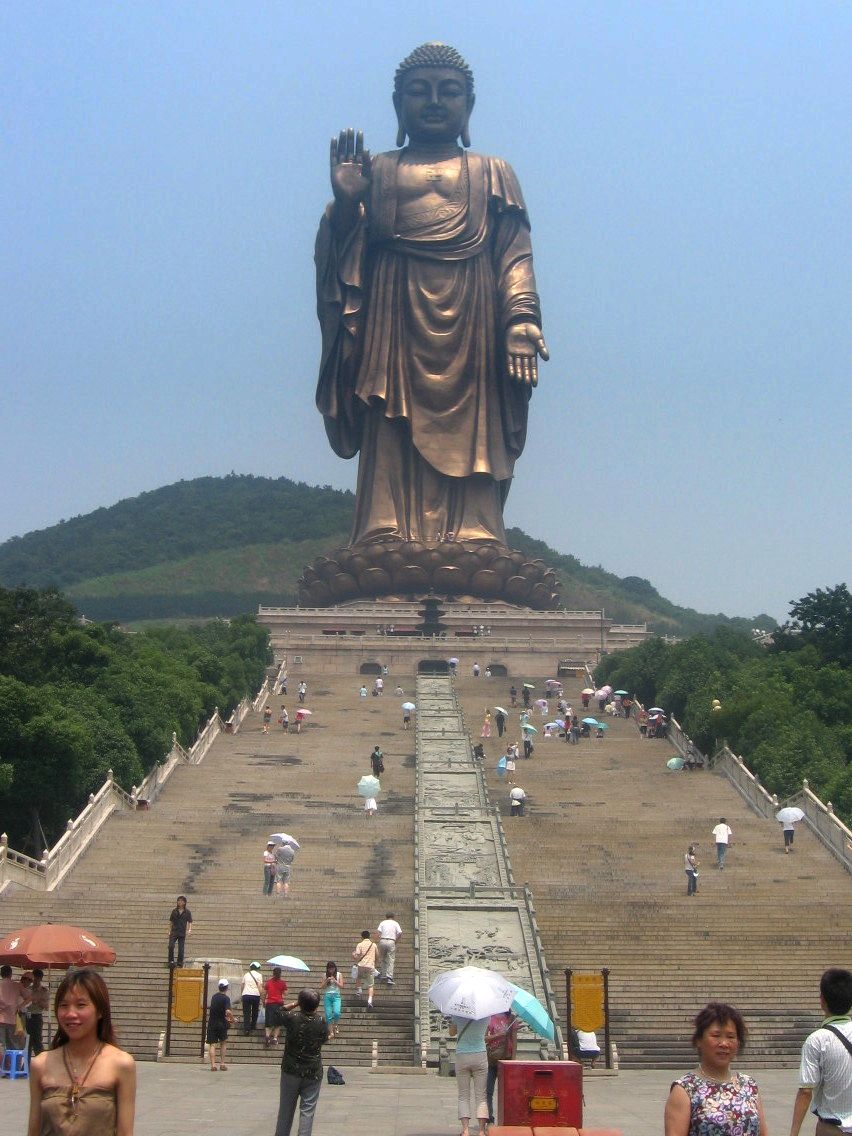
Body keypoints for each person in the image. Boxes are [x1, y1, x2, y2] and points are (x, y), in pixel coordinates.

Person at [27, 968, 136, 1136]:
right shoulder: (40, 1064)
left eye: (81, 1005)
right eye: (63, 1005)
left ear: (100, 1011)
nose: (71, 1014)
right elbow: (33, 1131)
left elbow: (125, 1133)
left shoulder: (121, 1064)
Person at [664, 1001, 768, 1136]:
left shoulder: (748, 1085)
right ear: (699, 1040)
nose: (724, 1043)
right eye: (716, 1035)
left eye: (731, 1037)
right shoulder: (685, 1089)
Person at [789, 967, 852, 1136]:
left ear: (822, 1000)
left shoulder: (817, 1040)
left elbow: (805, 1091)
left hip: (831, 1129)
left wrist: (794, 1132)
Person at [273, 989, 330, 1136]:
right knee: (307, 1111)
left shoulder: (293, 1018)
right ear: (317, 1006)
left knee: (285, 1109)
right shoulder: (321, 1021)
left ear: (301, 1004)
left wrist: (294, 1003)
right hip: (313, 1072)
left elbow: (278, 1011)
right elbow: (324, 1038)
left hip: (291, 1070)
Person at [448, 1014, 490, 1136]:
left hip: (462, 1054)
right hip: (480, 1054)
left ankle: (465, 1130)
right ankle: (481, 1131)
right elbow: (485, 1033)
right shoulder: (486, 1015)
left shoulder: (458, 1014)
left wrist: (452, 1020)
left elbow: (451, 1033)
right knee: (481, 1096)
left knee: (463, 1095)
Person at [485, 1011, 522, 1123]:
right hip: (492, 1059)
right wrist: (499, 1035)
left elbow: (514, 1041)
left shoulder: (512, 1018)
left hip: (507, 1059)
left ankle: (508, 1117)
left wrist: (513, 1060)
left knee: (508, 1091)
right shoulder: (490, 1017)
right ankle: (489, 1118)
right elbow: (485, 1038)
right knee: (488, 1090)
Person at [0, 963, 27, 1063]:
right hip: (12, 1019)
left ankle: (2, 1067)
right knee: (13, 1044)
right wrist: (20, 1006)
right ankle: (15, 1067)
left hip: (1, 1019)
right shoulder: (17, 985)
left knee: (1, 1044)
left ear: (1, 974)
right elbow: (30, 997)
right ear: (10, 974)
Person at [207, 979, 234, 1071]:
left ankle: (213, 1065)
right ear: (226, 988)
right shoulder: (226, 998)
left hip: (212, 1023)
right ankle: (222, 1064)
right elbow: (227, 1011)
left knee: (212, 1044)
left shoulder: (214, 997)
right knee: (223, 1043)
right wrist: (232, 1019)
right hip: (221, 1023)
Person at [25, 969, 49, 1057]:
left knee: (37, 1041)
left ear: (40, 979)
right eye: (33, 979)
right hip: (27, 1016)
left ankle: (41, 1061)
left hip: (37, 1017)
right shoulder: (27, 989)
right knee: (27, 1041)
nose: (34, 981)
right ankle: (26, 1064)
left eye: (37, 979)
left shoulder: (43, 990)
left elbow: (46, 1006)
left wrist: (37, 1001)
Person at [263, 966, 288, 1048]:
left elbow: (264, 993)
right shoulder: (282, 983)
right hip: (279, 1004)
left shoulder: (268, 982)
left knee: (268, 1022)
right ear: (280, 974)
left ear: (273, 973)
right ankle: (275, 1038)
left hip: (269, 1004)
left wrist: (263, 1001)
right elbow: (285, 993)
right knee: (278, 1022)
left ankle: (267, 1036)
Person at [352, 931, 378, 1009]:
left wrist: (353, 955)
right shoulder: (374, 945)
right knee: (370, 985)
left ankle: (359, 990)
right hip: (370, 966)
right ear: (369, 936)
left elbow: (356, 956)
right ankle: (369, 1000)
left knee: (358, 976)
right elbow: (377, 955)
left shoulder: (360, 944)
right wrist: (375, 964)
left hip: (361, 965)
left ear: (362, 937)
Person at [376, 912, 403, 986]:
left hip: (383, 940)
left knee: (383, 958)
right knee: (391, 959)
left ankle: (383, 975)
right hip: (391, 941)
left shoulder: (383, 922)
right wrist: (396, 941)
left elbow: (378, 932)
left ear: (386, 916)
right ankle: (389, 977)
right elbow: (400, 933)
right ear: (393, 916)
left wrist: (380, 938)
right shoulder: (395, 923)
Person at [167, 895, 192, 967]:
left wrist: (189, 930)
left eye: (181, 901)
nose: (180, 902)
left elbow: (190, 921)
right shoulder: (174, 911)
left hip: (182, 932)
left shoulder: (187, 912)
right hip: (174, 931)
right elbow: (171, 922)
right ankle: (171, 962)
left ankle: (179, 963)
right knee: (171, 946)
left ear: (184, 902)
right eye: (178, 900)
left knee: (181, 948)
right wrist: (169, 931)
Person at [240, 962, 264, 1036]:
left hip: (246, 994)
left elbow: (242, 985)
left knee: (246, 1012)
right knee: (255, 1011)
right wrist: (262, 996)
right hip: (255, 995)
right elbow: (260, 986)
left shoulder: (246, 975)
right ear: (258, 968)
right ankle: (253, 1026)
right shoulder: (259, 975)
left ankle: (246, 1029)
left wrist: (242, 994)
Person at [321, 962, 344, 1039]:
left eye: (333, 968)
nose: (331, 970)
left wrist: (335, 981)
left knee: (337, 1012)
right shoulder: (325, 975)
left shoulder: (339, 974)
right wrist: (327, 980)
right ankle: (331, 1032)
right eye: (330, 969)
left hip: (336, 996)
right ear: (327, 969)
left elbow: (342, 986)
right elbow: (322, 986)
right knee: (328, 1015)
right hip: (327, 996)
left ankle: (336, 1024)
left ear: (335, 968)